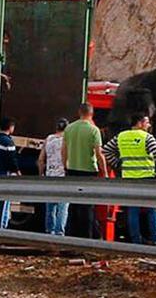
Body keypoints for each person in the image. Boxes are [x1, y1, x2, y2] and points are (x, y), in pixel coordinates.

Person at [102, 113, 156, 245]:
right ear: (140, 123)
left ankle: (135, 240)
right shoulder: (147, 137)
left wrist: (117, 164)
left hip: (129, 178)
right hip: (147, 177)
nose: (149, 125)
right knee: (152, 209)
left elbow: (106, 150)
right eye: (147, 122)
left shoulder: (121, 136)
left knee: (132, 210)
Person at [63, 102, 107, 238]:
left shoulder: (69, 128)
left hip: (72, 169)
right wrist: (104, 172)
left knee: (73, 205)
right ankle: (86, 238)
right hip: (88, 171)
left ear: (79, 112)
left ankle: (71, 236)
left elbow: (63, 150)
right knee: (87, 206)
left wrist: (65, 165)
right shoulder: (94, 130)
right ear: (92, 113)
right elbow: (99, 154)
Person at [37, 118, 69, 235]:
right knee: (63, 206)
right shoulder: (67, 140)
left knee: (50, 206)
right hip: (63, 175)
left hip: (50, 175)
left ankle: (49, 230)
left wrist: (41, 174)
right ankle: (59, 232)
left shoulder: (49, 139)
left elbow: (41, 160)